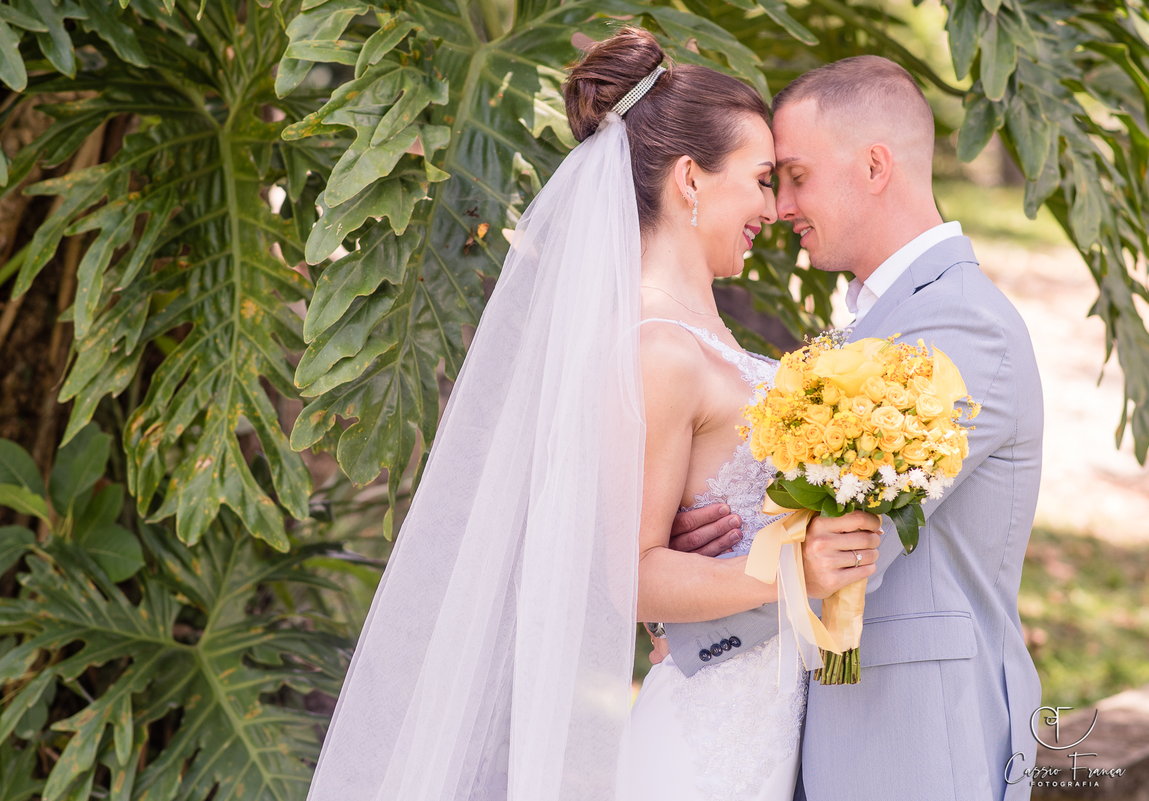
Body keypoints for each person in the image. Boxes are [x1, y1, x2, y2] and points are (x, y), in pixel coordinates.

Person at [305, 27, 881, 801]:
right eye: (760, 179)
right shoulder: (658, 348)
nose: (774, 209)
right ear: (690, 178)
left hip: (767, 710)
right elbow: (631, 576)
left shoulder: (701, 331)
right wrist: (791, 566)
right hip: (711, 743)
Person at [668, 56, 1044, 801]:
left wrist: (685, 588)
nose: (781, 206)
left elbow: (846, 538)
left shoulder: (961, 325)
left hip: (916, 749)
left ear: (875, 166)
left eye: (797, 176)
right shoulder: (880, 321)